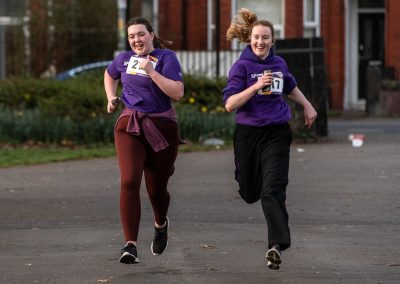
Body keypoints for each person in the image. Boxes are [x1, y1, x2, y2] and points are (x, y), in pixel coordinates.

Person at [223, 9, 317, 270]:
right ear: (249, 40)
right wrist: (254, 86)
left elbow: (290, 86)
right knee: (250, 192)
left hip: (276, 132)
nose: (260, 42)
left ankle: (276, 245)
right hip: (248, 135)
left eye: (265, 38)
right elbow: (230, 104)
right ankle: (249, 188)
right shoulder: (241, 66)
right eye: (256, 37)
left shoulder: (279, 64)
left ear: (272, 41)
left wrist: (307, 105)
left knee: (273, 189)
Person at [104, 17, 184, 264]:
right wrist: (111, 97)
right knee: (129, 180)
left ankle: (161, 223)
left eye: (141, 34)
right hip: (130, 124)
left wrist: (151, 72)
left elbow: (178, 93)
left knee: (156, 189)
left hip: (162, 128)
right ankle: (130, 245)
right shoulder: (124, 59)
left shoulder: (166, 58)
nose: (136, 40)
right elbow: (109, 74)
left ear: (151, 34)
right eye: (131, 36)